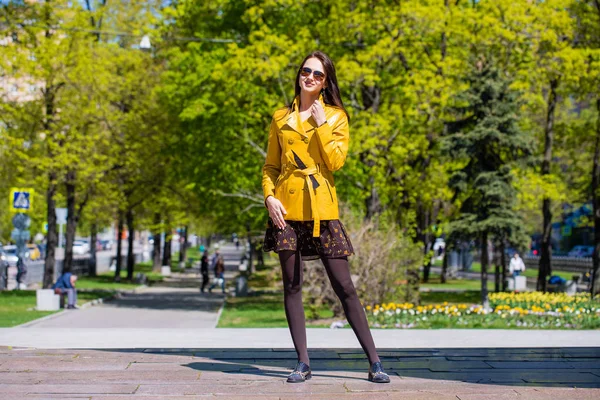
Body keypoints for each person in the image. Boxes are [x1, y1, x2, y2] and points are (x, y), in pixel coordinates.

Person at [261, 51, 389, 384]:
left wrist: (320, 127)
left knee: (344, 286)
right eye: (306, 71)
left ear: (325, 82)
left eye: (318, 75)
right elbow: (271, 167)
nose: (311, 78)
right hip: (287, 209)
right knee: (292, 285)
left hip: (322, 208)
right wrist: (269, 196)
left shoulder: (336, 117)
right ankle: (303, 362)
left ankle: (375, 362)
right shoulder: (279, 117)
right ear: (299, 75)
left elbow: (335, 162)